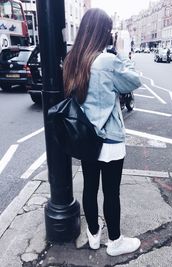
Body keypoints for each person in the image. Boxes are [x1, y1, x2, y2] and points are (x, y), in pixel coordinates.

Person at [63, 8, 142, 256]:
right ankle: (115, 242)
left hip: (85, 137)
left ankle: (94, 235)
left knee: (89, 187)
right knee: (111, 192)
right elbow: (133, 81)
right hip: (109, 139)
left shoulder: (73, 59)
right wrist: (122, 50)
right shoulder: (107, 61)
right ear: (101, 32)